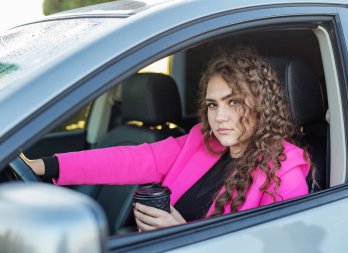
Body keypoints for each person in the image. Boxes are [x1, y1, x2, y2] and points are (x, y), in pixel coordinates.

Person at [24, 47, 313, 232]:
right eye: (212, 105)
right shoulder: (202, 142)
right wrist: (45, 165)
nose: (220, 117)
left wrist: (183, 234)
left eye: (234, 102)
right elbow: (129, 159)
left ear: (260, 105)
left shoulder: (284, 176)